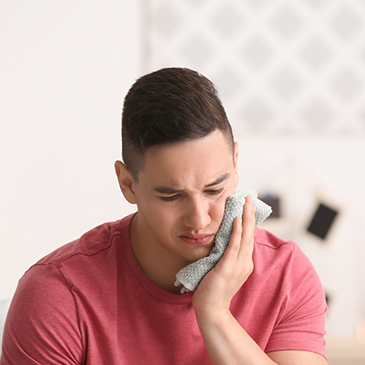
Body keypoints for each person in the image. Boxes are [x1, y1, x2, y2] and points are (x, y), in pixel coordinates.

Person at [0, 67, 328, 364]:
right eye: (170, 196)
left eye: (214, 190)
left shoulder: (286, 274)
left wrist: (213, 312)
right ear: (128, 184)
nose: (199, 219)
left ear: (236, 163)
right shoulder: (58, 294)